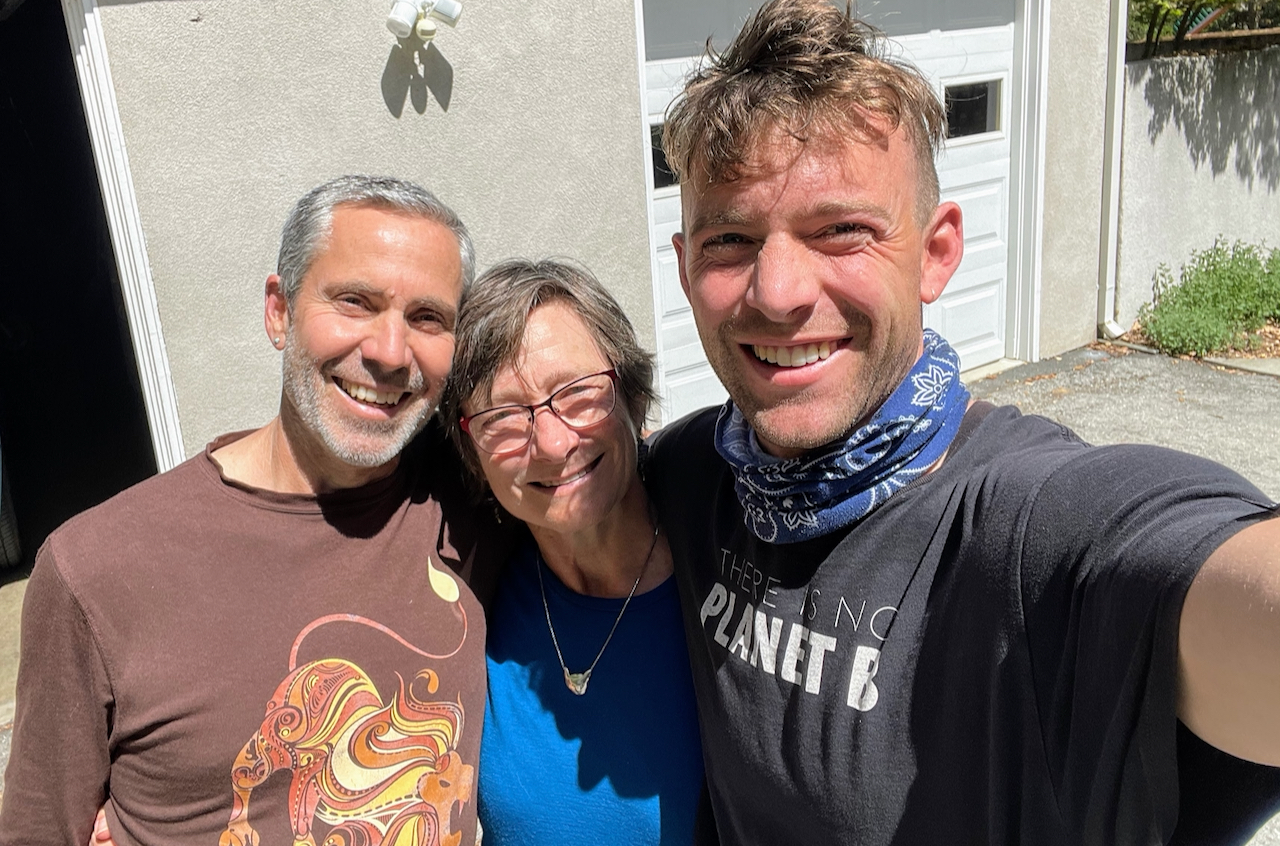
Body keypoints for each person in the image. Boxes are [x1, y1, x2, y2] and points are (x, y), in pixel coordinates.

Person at [643, 1, 1280, 843]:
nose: (779, 293)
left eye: (841, 230)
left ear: (937, 252)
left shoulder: (1028, 527)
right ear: (687, 269)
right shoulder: (693, 475)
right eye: (730, 239)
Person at [0, 175, 502, 846]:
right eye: (353, 302)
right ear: (279, 311)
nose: (388, 352)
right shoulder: (96, 568)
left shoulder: (483, 500)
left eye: (427, 318)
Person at [443, 259, 710, 845]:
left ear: (632, 395)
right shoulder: (468, 612)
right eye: (504, 416)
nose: (553, 443)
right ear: (472, 454)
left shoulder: (725, 577)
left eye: (577, 394)